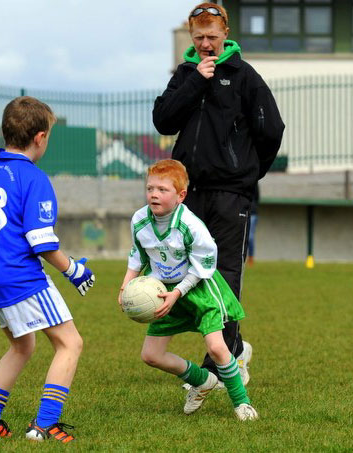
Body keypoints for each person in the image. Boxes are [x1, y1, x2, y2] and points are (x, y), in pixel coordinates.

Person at [153, 3, 284, 386]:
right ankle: (234, 347)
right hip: (189, 194)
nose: (206, 44)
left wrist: (246, 174)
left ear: (225, 33)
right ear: (191, 38)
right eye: (199, 38)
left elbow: (271, 130)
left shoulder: (245, 76)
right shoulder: (185, 74)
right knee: (185, 272)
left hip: (231, 195)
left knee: (224, 273)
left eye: (212, 37)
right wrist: (196, 79)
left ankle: (216, 364)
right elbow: (163, 119)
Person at [0, 96, 95, 443]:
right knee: (70, 343)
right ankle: (45, 425)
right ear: (41, 137)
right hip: (21, 277)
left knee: (22, 346)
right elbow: (42, 242)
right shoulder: (34, 178)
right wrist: (74, 270)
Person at [118, 159, 258, 421]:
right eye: (150, 188)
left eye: (162, 189)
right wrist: (126, 284)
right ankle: (203, 380)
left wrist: (178, 293)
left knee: (217, 348)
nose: (154, 194)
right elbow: (137, 254)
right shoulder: (139, 220)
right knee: (150, 355)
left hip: (198, 287)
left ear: (180, 195)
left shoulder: (191, 225)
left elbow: (203, 266)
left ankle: (241, 403)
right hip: (161, 291)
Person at [247, 184, 260, 267]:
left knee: (250, 236)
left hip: (253, 213)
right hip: (242, 211)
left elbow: (257, 197)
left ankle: (251, 258)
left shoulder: (255, 183)